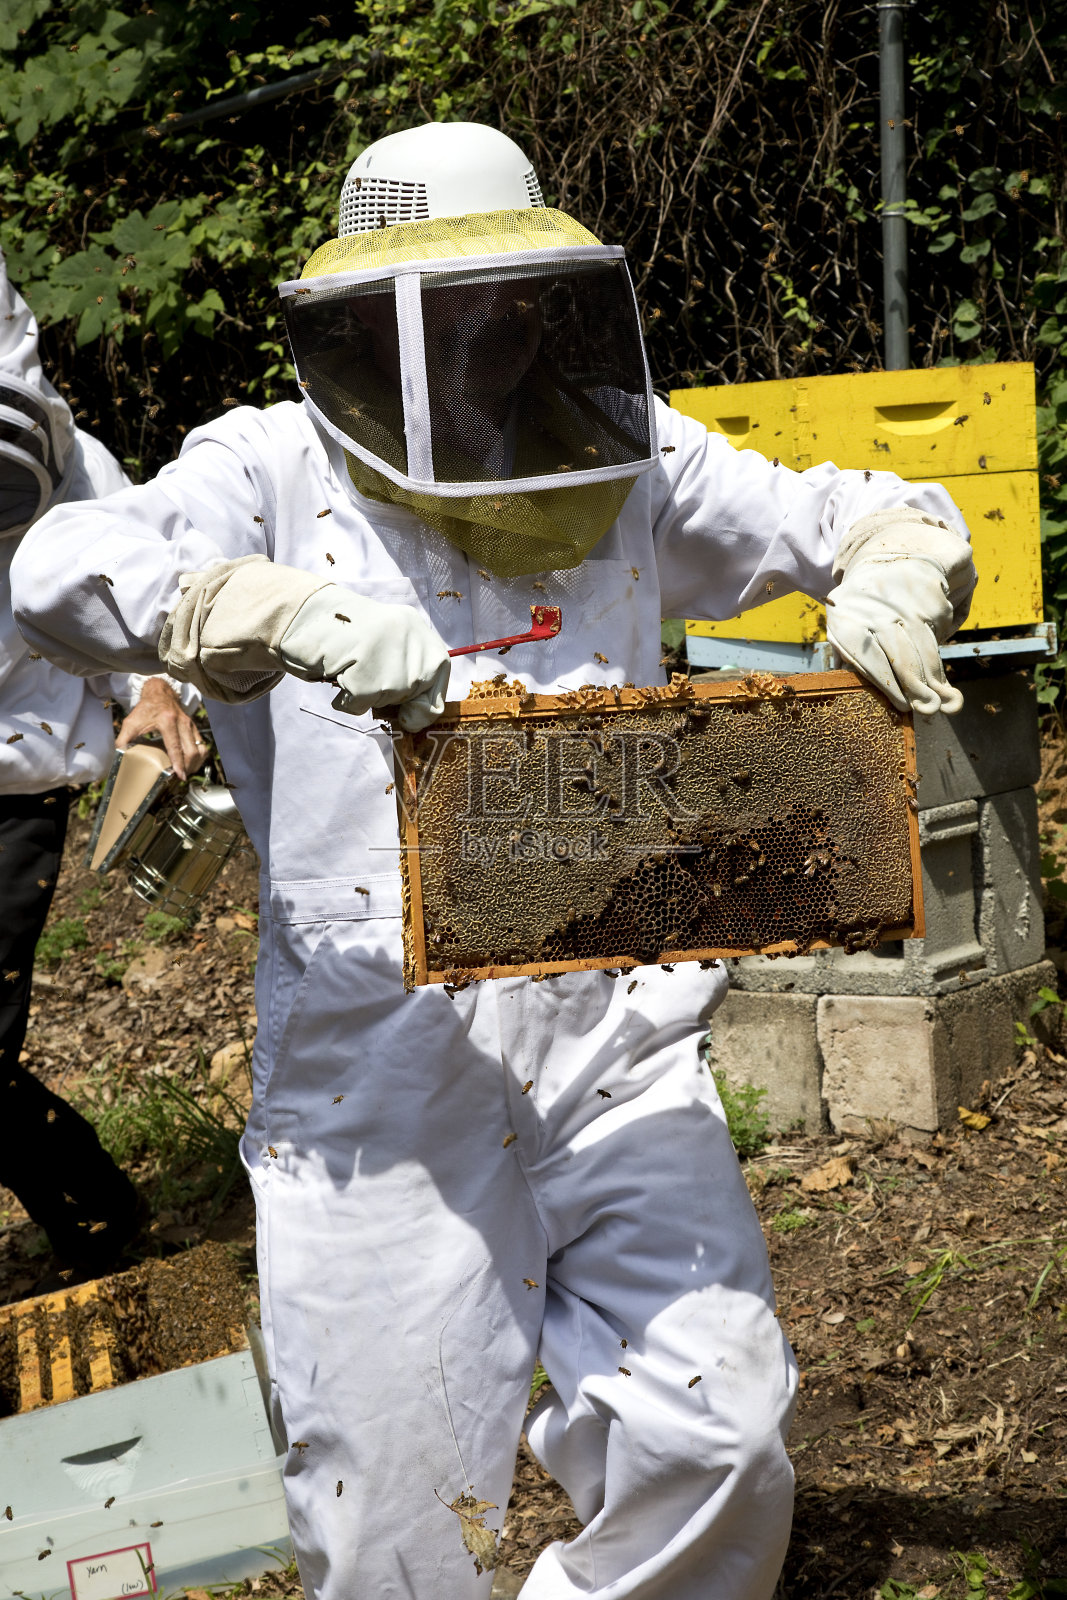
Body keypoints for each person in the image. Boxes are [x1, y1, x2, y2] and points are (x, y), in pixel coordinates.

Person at [11, 123, 976, 1598]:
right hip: (379, 1079)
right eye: (455, 311)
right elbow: (59, 568)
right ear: (361, 325)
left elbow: (861, 509)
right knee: (387, 1526)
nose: (495, 337)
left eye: (515, 302)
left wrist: (898, 572)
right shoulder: (267, 466)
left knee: (721, 1436)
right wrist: (259, 607)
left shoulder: (620, 449)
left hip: (617, 1045)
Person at [0, 249, 204, 1278]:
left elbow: (133, 596)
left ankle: (101, 1221)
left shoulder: (76, 469)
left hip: (13, 788)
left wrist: (153, 693)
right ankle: (97, 1218)